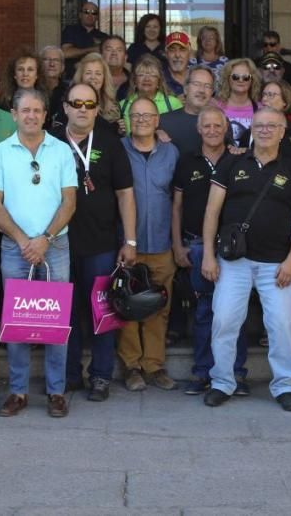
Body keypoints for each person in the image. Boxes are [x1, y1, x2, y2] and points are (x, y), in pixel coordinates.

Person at [201, 107, 291, 411]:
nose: (265, 130)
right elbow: (212, 211)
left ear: (282, 132)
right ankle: (222, 382)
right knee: (224, 321)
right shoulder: (232, 163)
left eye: (271, 126)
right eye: (260, 125)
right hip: (234, 263)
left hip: (277, 265)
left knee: (280, 325)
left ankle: (284, 385)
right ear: (252, 129)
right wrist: (209, 254)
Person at [0, 89, 77, 418]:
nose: (31, 116)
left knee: (55, 321)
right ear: (13, 113)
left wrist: (45, 239)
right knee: (17, 321)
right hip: (15, 247)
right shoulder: (0, 152)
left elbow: (69, 201)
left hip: (55, 246)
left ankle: (56, 391)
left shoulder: (62, 151)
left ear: (45, 114)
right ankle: (18, 390)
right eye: (25, 110)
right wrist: (24, 239)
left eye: (38, 110)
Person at [52, 82, 137, 402]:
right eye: (77, 103)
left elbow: (125, 194)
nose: (83, 110)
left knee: (103, 312)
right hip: (59, 244)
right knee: (67, 313)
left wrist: (129, 240)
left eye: (89, 104)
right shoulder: (51, 143)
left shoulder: (111, 143)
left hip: (102, 244)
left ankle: (101, 375)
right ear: (66, 107)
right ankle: (69, 373)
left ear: (97, 109)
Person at [172, 106, 249, 396]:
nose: (213, 131)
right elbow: (176, 207)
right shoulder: (186, 161)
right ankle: (203, 372)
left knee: (233, 313)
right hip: (196, 245)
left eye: (218, 126)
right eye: (207, 126)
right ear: (198, 129)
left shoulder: (240, 159)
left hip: (232, 249)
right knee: (204, 311)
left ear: (226, 127)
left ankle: (236, 373)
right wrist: (177, 244)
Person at [119, 97, 180, 391]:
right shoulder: (118, 150)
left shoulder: (172, 152)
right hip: (127, 244)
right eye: (136, 115)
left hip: (161, 242)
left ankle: (154, 365)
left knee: (158, 307)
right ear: (129, 119)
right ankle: (131, 366)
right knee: (128, 308)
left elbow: (178, 199)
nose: (141, 120)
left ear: (158, 121)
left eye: (148, 115)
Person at [158, 65, 223, 159]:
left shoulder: (220, 121)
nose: (201, 90)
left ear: (212, 92)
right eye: (196, 84)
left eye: (207, 86)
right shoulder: (164, 122)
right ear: (185, 89)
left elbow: (229, 153)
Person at [119, 55, 183, 132]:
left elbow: (180, 131)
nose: (147, 79)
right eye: (141, 74)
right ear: (134, 80)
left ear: (159, 80)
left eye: (152, 75)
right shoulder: (123, 105)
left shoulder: (173, 104)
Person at [74, 52, 125, 136]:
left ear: (104, 78)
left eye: (98, 73)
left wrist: (120, 131)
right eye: (88, 73)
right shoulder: (71, 102)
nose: (93, 77)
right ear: (81, 76)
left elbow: (114, 138)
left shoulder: (114, 106)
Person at [215, 58, 260, 146]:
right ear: (227, 79)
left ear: (252, 80)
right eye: (235, 77)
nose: (241, 80)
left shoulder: (261, 108)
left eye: (246, 77)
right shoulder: (216, 107)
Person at [62, 0, 108, 76]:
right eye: (86, 12)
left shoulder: (104, 37)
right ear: (80, 15)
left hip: (94, 76)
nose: (90, 15)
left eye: (94, 13)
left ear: (97, 17)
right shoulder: (70, 30)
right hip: (71, 77)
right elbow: (65, 53)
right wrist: (92, 50)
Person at [41, 46, 69, 130]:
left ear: (62, 67)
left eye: (56, 60)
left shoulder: (69, 91)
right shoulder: (32, 90)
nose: (52, 64)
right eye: (46, 59)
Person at [100, 34, 131, 100]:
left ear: (125, 57)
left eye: (119, 50)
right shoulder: (92, 79)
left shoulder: (134, 81)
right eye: (109, 49)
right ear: (101, 56)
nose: (114, 53)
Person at [163, 31, 193, 97]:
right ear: (166, 54)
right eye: (172, 50)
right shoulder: (159, 79)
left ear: (189, 53)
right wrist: (173, 103)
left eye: (182, 49)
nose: (177, 55)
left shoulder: (198, 76)